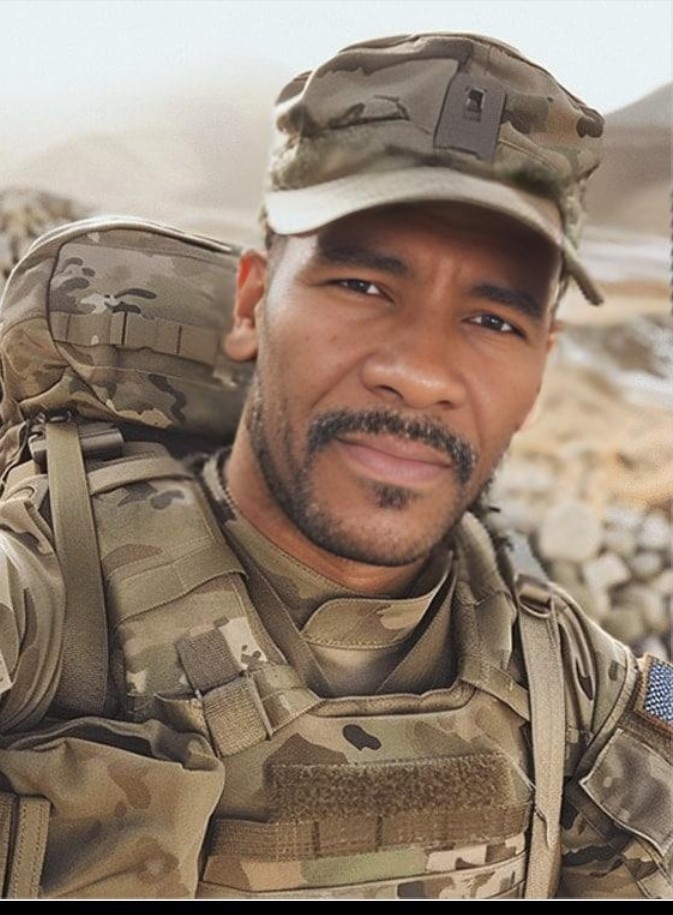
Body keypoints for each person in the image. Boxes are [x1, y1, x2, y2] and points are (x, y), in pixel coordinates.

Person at [0, 32, 671, 900]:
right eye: (362, 285)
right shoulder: (45, 605)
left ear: (538, 370)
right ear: (252, 303)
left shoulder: (570, 677)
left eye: (492, 319)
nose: (420, 370)